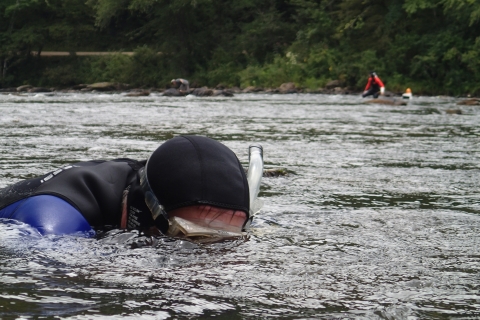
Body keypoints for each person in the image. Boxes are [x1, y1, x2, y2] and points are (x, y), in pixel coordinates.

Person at [0, 136, 262, 239]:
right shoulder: (51, 220)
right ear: (140, 212)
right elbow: (51, 282)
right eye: (192, 239)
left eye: (226, 240)